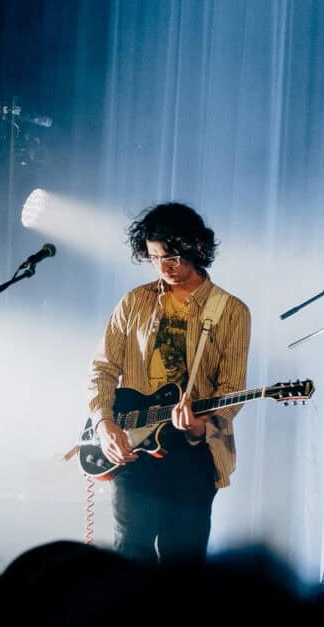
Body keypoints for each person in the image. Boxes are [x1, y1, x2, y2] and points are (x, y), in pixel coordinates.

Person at [88, 203, 254, 567]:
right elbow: (102, 368)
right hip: (135, 448)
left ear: (196, 248)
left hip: (193, 455)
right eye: (154, 258)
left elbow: (231, 387)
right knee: (130, 558)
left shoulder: (230, 310)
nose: (164, 268)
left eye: (172, 257)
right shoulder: (135, 301)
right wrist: (104, 424)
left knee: (184, 566)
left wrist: (203, 425)